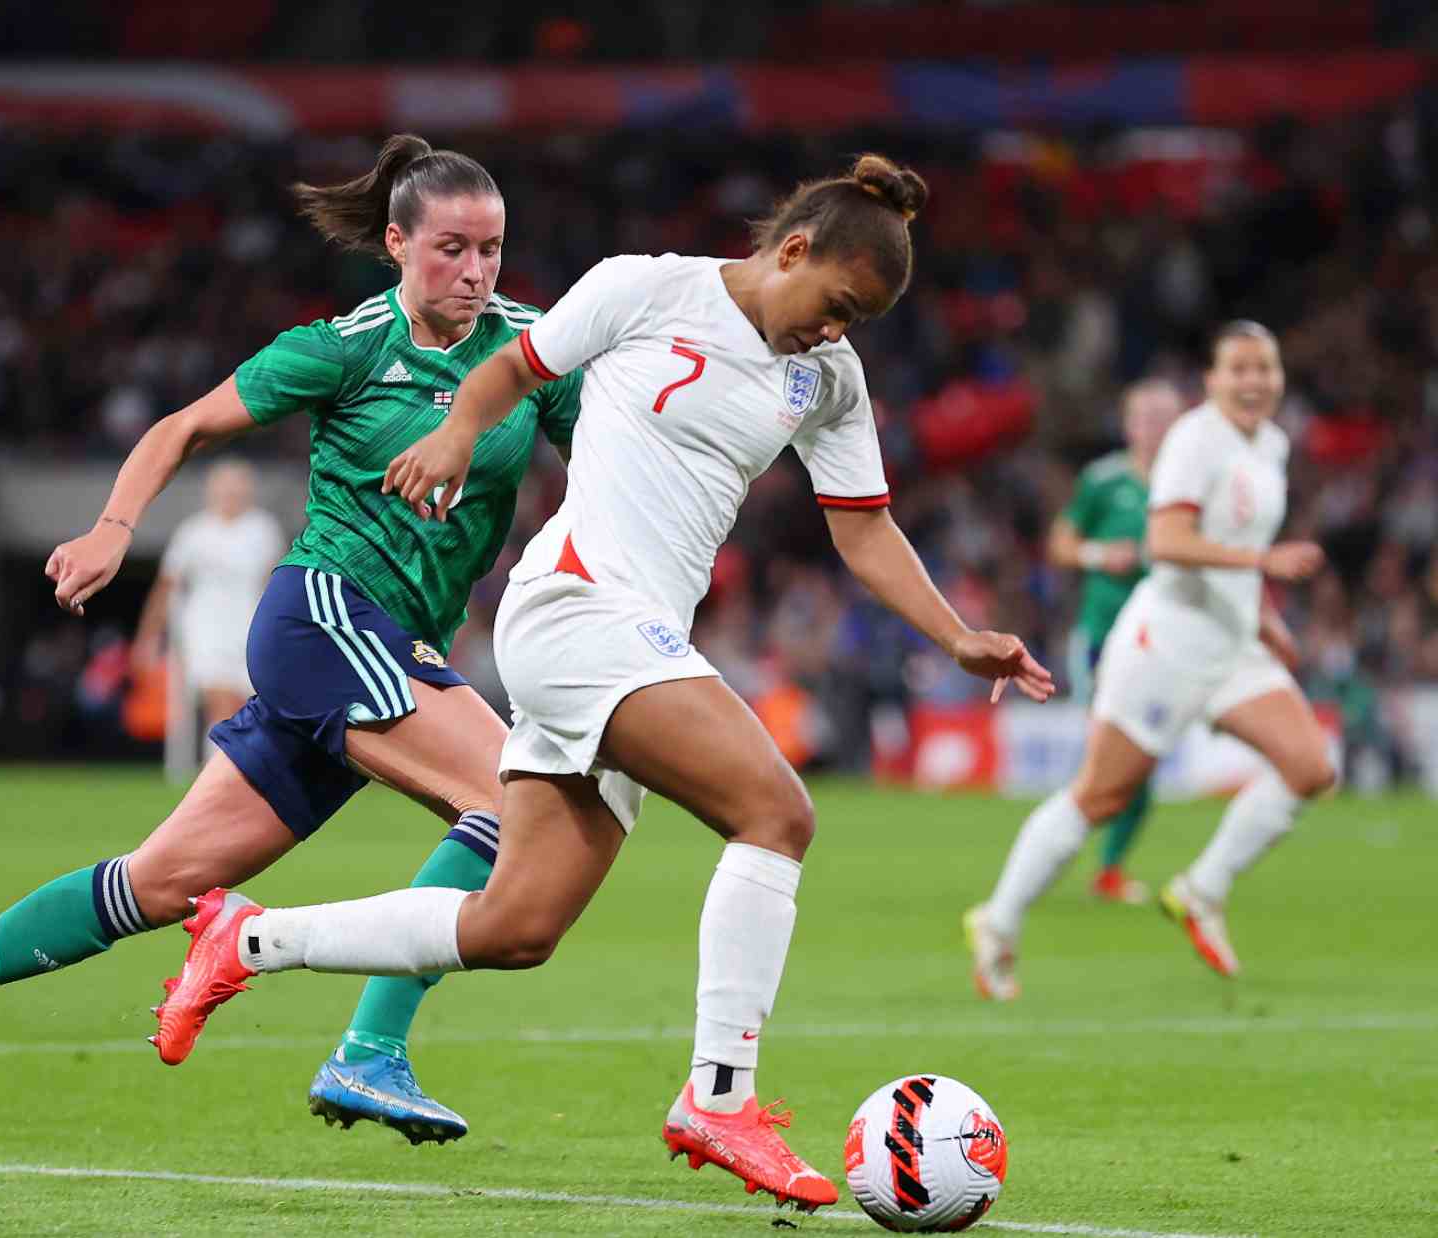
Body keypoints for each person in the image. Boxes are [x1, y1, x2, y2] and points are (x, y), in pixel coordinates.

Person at [143, 155, 1054, 1213]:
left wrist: (956, 636)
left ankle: (249, 938)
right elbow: (510, 368)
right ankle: (719, 1096)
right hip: (577, 607)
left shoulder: (831, 379)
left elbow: (863, 528)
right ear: (793, 250)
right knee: (776, 812)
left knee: (514, 926)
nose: (834, 330)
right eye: (837, 303)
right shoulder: (647, 287)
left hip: (638, 636)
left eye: (857, 321)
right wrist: (455, 433)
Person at [0, 134, 582, 1148]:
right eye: (452, 248)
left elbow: (610, 456)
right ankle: (369, 1050)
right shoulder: (346, 347)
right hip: (324, 620)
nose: (476, 271)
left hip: (386, 650)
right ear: (397, 244)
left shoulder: (532, 351)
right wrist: (112, 528)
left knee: (157, 882)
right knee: (506, 798)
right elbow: (180, 428)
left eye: (491, 249)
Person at [967, 321, 1331, 998]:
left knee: (1311, 767)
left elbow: (1231, 540)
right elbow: (1166, 542)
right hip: (1166, 644)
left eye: (1265, 368)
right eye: (1239, 369)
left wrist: (1265, 618)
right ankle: (999, 921)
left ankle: (1201, 890)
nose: (1254, 381)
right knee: (1101, 796)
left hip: (1233, 645)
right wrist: (1263, 563)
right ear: (1212, 380)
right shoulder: (1195, 440)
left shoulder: (1272, 445)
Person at [1045, 378, 1184, 904]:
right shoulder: (1103, 481)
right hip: (1104, 638)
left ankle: (1108, 870)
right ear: (1128, 426)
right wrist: (1100, 555)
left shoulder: (1190, 485)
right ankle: (1049, 853)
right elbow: (1061, 543)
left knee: (1143, 763)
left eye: (1165, 418)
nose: (1156, 428)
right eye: (1146, 417)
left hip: (1166, 642)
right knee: (1108, 757)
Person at [131, 458, 288, 731]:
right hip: (205, 628)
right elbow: (167, 586)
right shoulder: (193, 532)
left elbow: (279, 585)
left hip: (251, 625)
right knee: (219, 700)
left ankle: (233, 751)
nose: (231, 493)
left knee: (250, 704)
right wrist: (149, 635)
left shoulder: (264, 529)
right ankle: (219, 752)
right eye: (224, 486)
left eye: (237, 486)